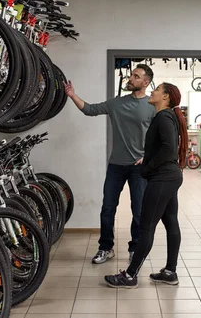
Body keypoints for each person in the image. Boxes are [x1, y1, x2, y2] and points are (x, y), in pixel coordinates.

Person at [63, 64, 156, 264]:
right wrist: (72, 95)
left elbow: (161, 136)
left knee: (138, 210)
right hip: (116, 165)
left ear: (146, 82)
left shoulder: (152, 106)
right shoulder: (117, 103)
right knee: (107, 208)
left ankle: (135, 249)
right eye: (131, 75)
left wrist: (148, 156)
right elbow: (90, 109)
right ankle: (106, 248)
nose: (131, 78)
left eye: (136, 76)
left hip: (139, 167)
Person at [104, 82, 188, 289]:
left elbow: (169, 149)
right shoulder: (166, 117)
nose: (152, 92)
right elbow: (165, 148)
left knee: (146, 227)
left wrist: (148, 167)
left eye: (157, 90)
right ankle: (170, 272)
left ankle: (130, 275)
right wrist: (148, 158)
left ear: (166, 97)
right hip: (169, 176)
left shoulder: (163, 117)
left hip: (162, 178)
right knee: (170, 222)